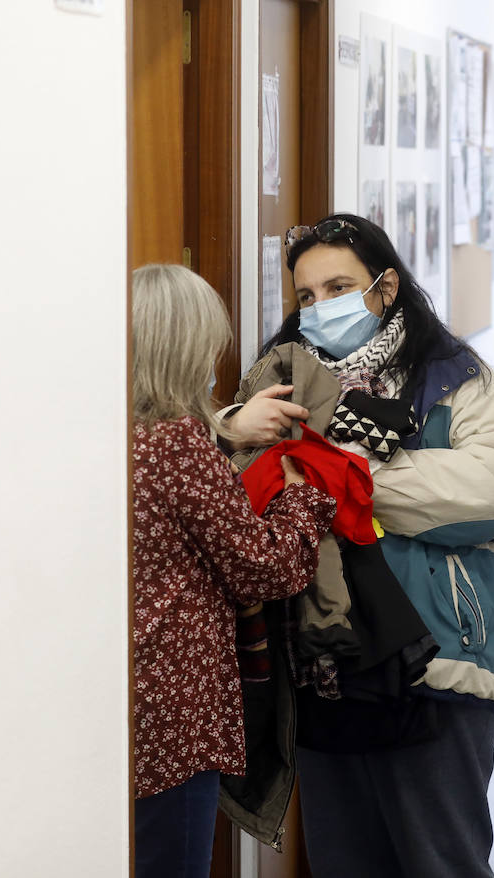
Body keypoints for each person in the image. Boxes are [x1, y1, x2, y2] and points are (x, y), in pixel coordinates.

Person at [239, 214, 494, 877]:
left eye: (339, 286)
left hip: (438, 661)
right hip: (323, 666)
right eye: (307, 295)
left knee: (441, 859)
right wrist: (235, 428)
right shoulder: (279, 383)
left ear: (386, 287)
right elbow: (241, 497)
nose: (320, 308)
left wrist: (347, 480)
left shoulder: (454, 378)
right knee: (346, 861)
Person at [129, 264, 337, 878]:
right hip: (177, 706)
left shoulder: (109, 433)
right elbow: (264, 568)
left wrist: (222, 429)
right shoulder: (178, 444)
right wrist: (304, 492)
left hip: (124, 695)